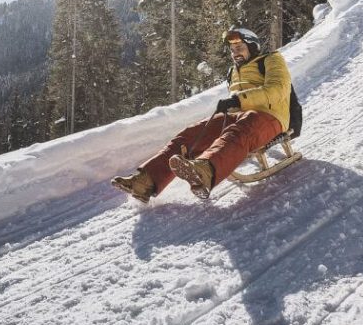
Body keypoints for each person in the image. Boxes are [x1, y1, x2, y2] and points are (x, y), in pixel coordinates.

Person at [111, 26, 292, 202]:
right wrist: (234, 105)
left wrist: (239, 100)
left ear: (253, 47)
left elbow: (278, 89)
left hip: (270, 116)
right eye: (232, 49)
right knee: (192, 134)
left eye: (239, 48)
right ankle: (145, 182)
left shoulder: (270, 60)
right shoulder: (233, 72)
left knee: (240, 129)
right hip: (240, 116)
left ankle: (204, 171)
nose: (235, 52)